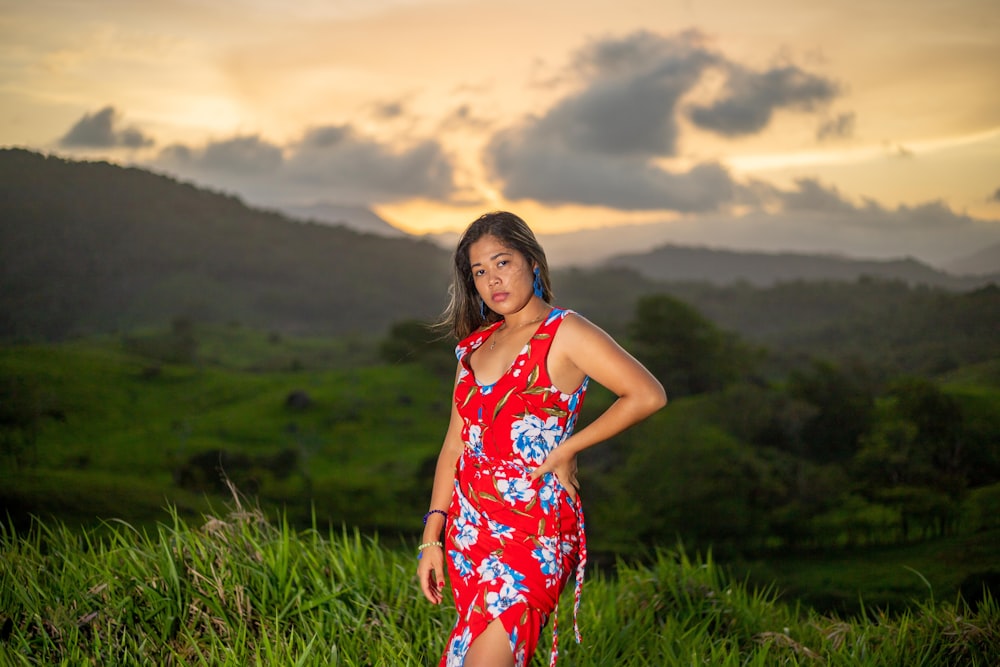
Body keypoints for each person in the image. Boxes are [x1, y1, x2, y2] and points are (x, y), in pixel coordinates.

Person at [417, 211, 666, 667]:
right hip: (469, 530)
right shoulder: (473, 347)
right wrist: (432, 537)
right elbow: (455, 445)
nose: (493, 280)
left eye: (502, 262)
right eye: (479, 272)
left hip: (534, 530)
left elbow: (647, 394)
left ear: (532, 261)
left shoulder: (564, 333)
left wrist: (568, 449)